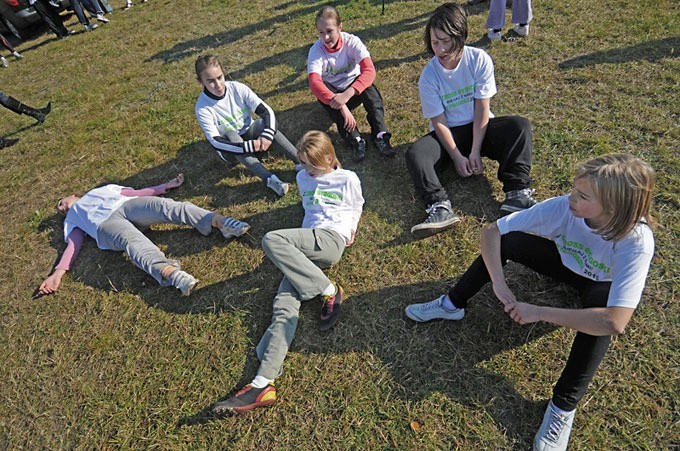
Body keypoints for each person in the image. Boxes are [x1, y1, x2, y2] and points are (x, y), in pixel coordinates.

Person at [404, 154, 656, 451]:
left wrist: (537, 312)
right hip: (564, 264)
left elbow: (615, 321)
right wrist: (499, 283)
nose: (571, 197)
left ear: (614, 207)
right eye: (574, 189)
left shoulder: (636, 241)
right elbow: (492, 232)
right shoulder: (564, 206)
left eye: (583, 195)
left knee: (600, 320)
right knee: (511, 240)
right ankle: (452, 304)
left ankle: (562, 407)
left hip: (600, 286)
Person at [211, 131, 364, 415]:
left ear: (329, 159)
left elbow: (357, 204)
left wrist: (351, 227)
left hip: (329, 240)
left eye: (312, 165)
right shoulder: (302, 178)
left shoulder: (347, 178)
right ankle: (263, 382)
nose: (306, 171)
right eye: (303, 164)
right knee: (283, 306)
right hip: (303, 248)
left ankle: (329, 290)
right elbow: (308, 208)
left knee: (272, 239)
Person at [406, 3, 536, 239]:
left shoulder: (479, 59)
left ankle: (517, 192)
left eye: (446, 41)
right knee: (416, 153)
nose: (441, 49)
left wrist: (475, 151)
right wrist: (457, 156)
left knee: (519, 126)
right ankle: (439, 206)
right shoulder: (429, 76)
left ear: (461, 35)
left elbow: (482, 108)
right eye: (435, 42)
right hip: (450, 134)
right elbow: (439, 121)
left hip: (481, 128)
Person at [38, 174, 250, 297]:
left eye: (60, 203)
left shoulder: (99, 191)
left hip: (127, 206)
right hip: (105, 225)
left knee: (168, 207)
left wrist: (164, 187)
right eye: (59, 210)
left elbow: (134, 193)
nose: (61, 208)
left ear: (74, 195)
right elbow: (73, 245)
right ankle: (172, 275)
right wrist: (57, 274)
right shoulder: (72, 218)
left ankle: (222, 223)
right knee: (134, 243)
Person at [194, 55, 301, 197]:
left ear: (223, 73)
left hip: (251, 135)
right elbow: (216, 142)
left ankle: (301, 162)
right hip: (231, 150)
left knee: (263, 123)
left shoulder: (237, 88)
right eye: (211, 81)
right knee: (231, 134)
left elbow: (266, 111)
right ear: (200, 81)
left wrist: (267, 135)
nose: (218, 85)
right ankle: (270, 179)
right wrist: (248, 147)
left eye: (220, 77)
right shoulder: (202, 107)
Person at [307, 5, 394, 162]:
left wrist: (348, 93)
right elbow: (314, 83)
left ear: (340, 27)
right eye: (321, 33)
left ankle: (380, 135)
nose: (325, 38)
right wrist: (341, 105)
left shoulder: (352, 42)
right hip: (333, 93)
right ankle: (356, 140)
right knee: (336, 109)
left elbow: (369, 70)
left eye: (329, 31)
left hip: (353, 89)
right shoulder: (316, 50)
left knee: (373, 98)